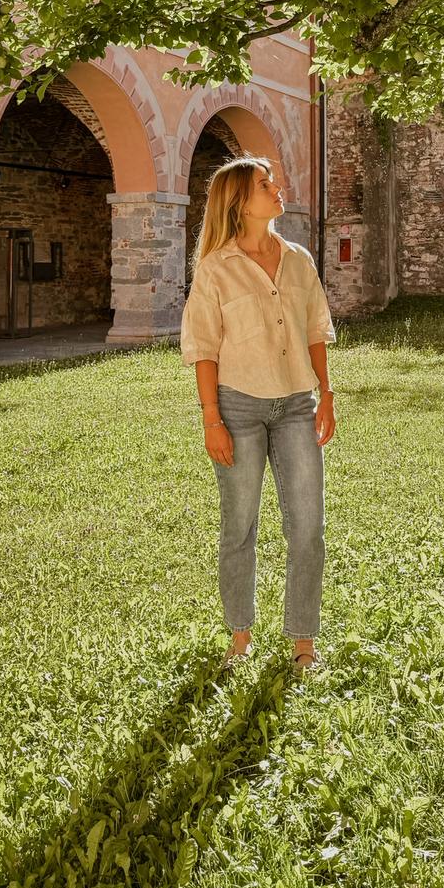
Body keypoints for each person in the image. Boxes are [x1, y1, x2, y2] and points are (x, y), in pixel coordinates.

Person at [180, 154, 337, 676]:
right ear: (240, 203)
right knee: (240, 525)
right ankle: (240, 636)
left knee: (308, 527)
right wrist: (212, 419)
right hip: (238, 408)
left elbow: (315, 330)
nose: (276, 189)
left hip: (297, 405)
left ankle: (303, 643)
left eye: (272, 182)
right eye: (264, 185)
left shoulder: (298, 259)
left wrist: (327, 393)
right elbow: (204, 349)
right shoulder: (215, 269)